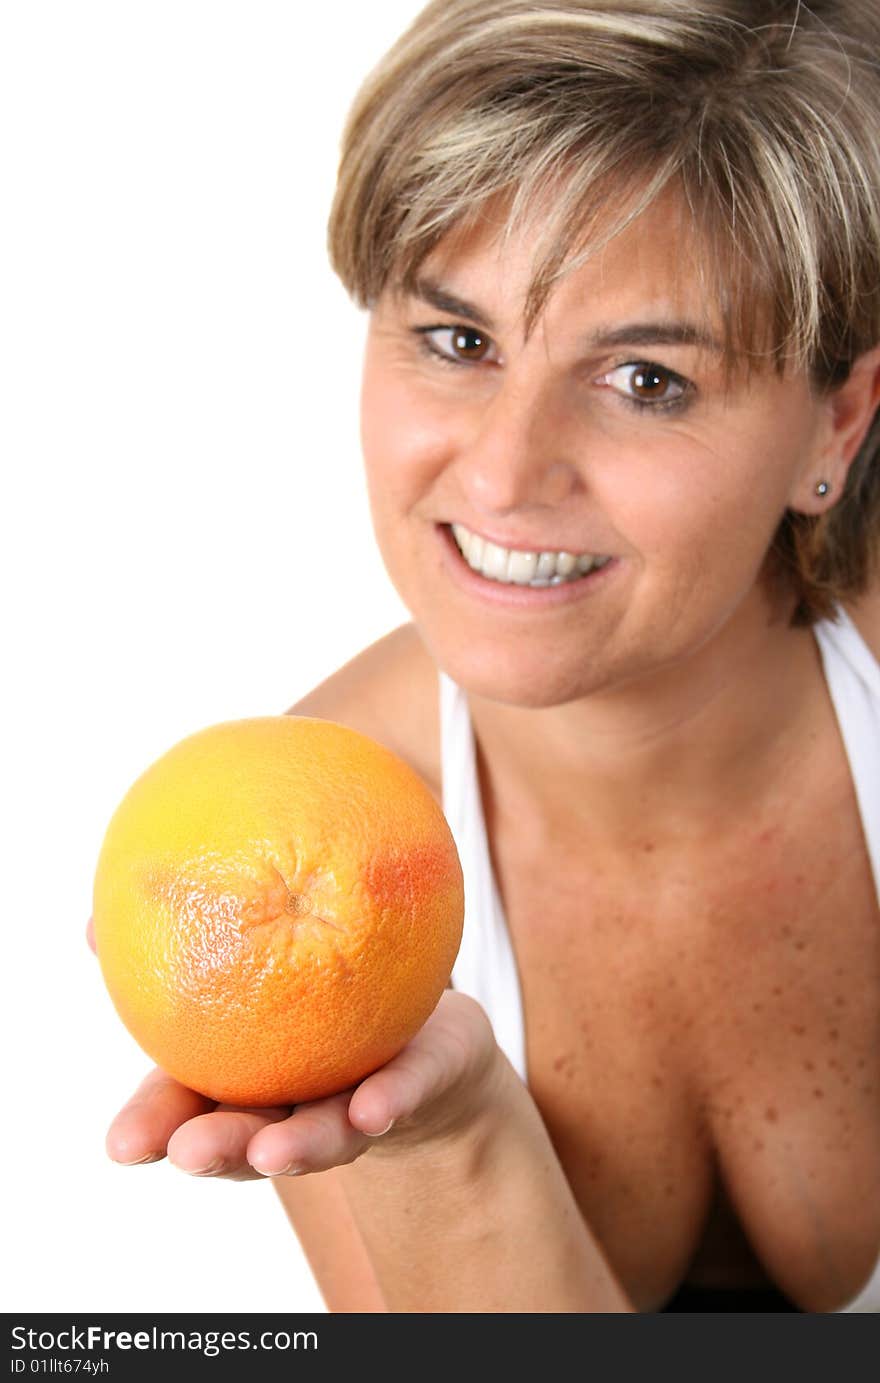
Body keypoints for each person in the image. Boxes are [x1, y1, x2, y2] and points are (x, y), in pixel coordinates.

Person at [88, 0, 880, 1312]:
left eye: (647, 381)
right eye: (460, 342)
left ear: (838, 426)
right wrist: (452, 1144)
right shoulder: (285, 868)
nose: (506, 474)